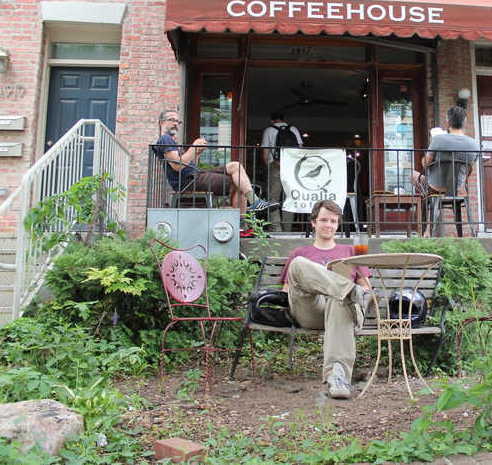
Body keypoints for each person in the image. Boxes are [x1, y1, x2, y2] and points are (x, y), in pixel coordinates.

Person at [280, 199, 371, 399]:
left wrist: (344, 293)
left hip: (343, 312)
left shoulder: (349, 252)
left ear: (337, 224)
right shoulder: (300, 253)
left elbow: (365, 288)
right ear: (313, 222)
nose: (328, 225)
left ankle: (337, 378)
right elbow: (288, 291)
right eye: (323, 220)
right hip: (312, 310)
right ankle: (346, 290)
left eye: (333, 221)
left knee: (339, 300)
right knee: (298, 264)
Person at [154, 109, 278, 221]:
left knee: (235, 166)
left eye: (177, 121)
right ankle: (243, 223)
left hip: (195, 175)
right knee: (238, 183)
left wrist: (196, 153)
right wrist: (194, 146)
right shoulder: (165, 139)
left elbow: (189, 166)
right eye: (171, 120)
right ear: (161, 122)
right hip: (189, 181)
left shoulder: (170, 141)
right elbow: (177, 166)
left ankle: (255, 201)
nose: (175, 123)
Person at [409, 105, 480, 236]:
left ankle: (428, 227)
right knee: (435, 193)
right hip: (456, 189)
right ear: (464, 123)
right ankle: (434, 211)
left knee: (413, 175)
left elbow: (425, 163)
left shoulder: (438, 139)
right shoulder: (474, 144)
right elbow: (469, 168)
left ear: (447, 124)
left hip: (435, 187)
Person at [261, 111, 303, 232]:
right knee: (289, 198)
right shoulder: (293, 129)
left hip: (276, 165)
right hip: (291, 166)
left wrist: (267, 168)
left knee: (272, 198)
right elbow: (300, 149)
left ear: (271, 120)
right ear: (284, 120)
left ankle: (276, 228)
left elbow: (265, 152)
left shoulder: (269, 130)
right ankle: (287, 229)